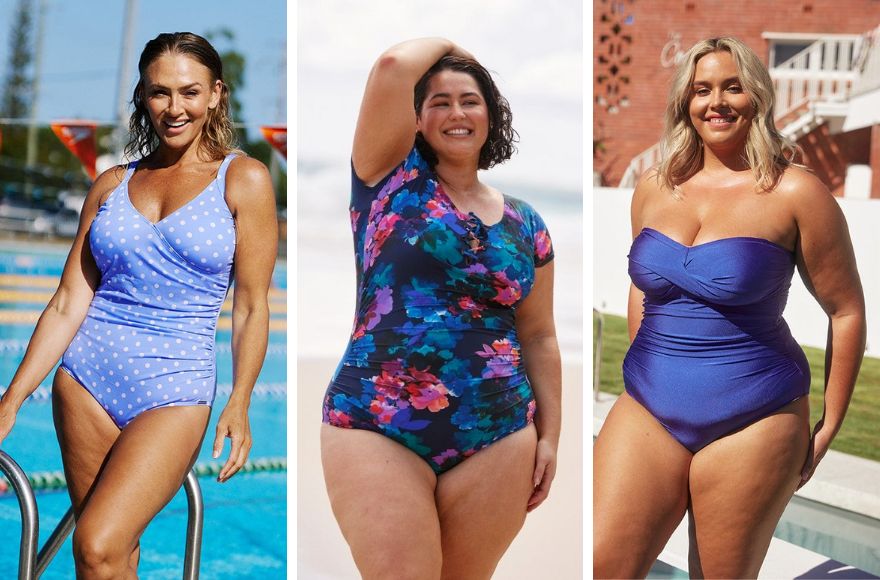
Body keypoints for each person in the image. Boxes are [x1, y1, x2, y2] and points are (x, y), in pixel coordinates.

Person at [0, 32, 277, 578]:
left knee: (96, 544)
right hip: (84, 381)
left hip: (174, 390)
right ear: (143, 96)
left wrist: (241, 400)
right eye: (160, 93)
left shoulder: (243, 180)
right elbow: (67, 301)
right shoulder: (111, 184)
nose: (174, 108)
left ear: (216, 95)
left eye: (189, 92)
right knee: (109, 559)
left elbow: (251, 306)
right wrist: (11, 398)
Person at [593, 37, 866, 578]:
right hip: (648, 402)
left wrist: (830, 422)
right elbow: (645, 285)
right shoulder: (654, 185)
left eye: (731, 87)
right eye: (702, 90)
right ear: (685, 103)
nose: (716, 102)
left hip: (755, 415)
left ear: (756, 98)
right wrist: (649, 360)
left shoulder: (796, 193)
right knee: (601, 563)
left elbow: (845, 310)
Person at [320, 38, 561, 579]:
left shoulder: (529, 225)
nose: (457, 112)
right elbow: (390, 65)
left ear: (491, 114)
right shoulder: (385, 182)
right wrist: (459, 51)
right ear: (417, 120)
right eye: (440, 101)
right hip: (375, 421)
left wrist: (550, 437)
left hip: (498, 433)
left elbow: (541, 336)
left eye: (470, 99)